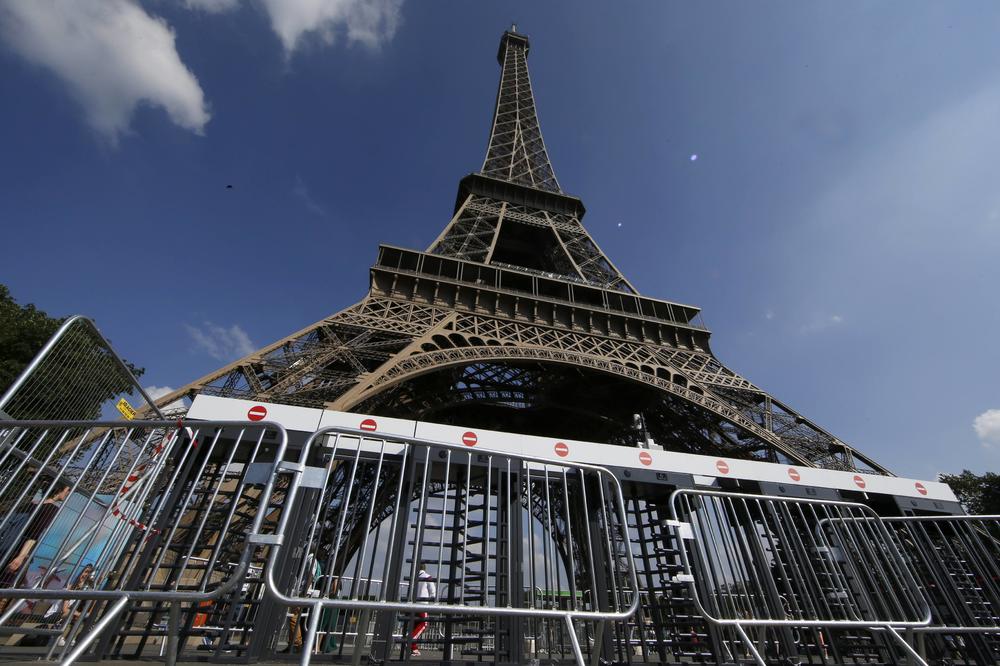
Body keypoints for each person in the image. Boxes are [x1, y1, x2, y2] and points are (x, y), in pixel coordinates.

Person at [0, 481, 71, 614]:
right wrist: (21, 557)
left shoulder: (29, 505)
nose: (68, 493)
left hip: (5, 548)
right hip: (17, 553)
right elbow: (33, 534)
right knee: (5, 591)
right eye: (67, 490)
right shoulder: (50, 509)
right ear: (58, 490)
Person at [409, 567, 436, 657]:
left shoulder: (413, 577)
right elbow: (433, 592)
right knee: (424, 624)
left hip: (413, 604)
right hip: (423, 604)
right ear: (425, 567)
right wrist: (433, 602)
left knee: (415, 625)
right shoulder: (427, 576)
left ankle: (414, 649)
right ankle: (411, 640)